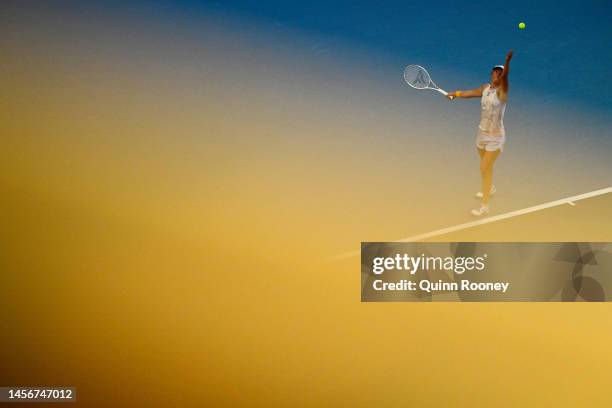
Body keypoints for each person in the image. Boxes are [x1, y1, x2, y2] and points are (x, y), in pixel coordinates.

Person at [447, 50, 513, 216]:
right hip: (482, 134)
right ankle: (489, 188)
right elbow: (471, 93)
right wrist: (455, 94)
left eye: (500, 72)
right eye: (495, 71)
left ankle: (485, 206)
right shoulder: (485, 88)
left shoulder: (502, 92)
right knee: (486, 168)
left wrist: (507, 62)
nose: (497, 74)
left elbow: (505, 79)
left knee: (484, 167)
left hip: (495, 137)